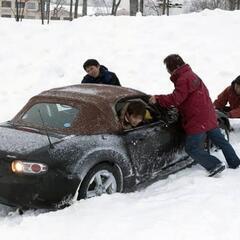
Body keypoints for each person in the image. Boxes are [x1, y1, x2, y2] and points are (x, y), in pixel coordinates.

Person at [149, 54, 240, 177]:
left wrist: (158, 99)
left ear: (175, 67)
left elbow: (176, 99)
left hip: (197, 120)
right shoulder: (192, 75)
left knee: (191, 148)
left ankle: (214, 164)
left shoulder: (183, 79)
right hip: (209, 115)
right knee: (221, 141)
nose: (169, 73)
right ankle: (234, 163)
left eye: (169, 70)